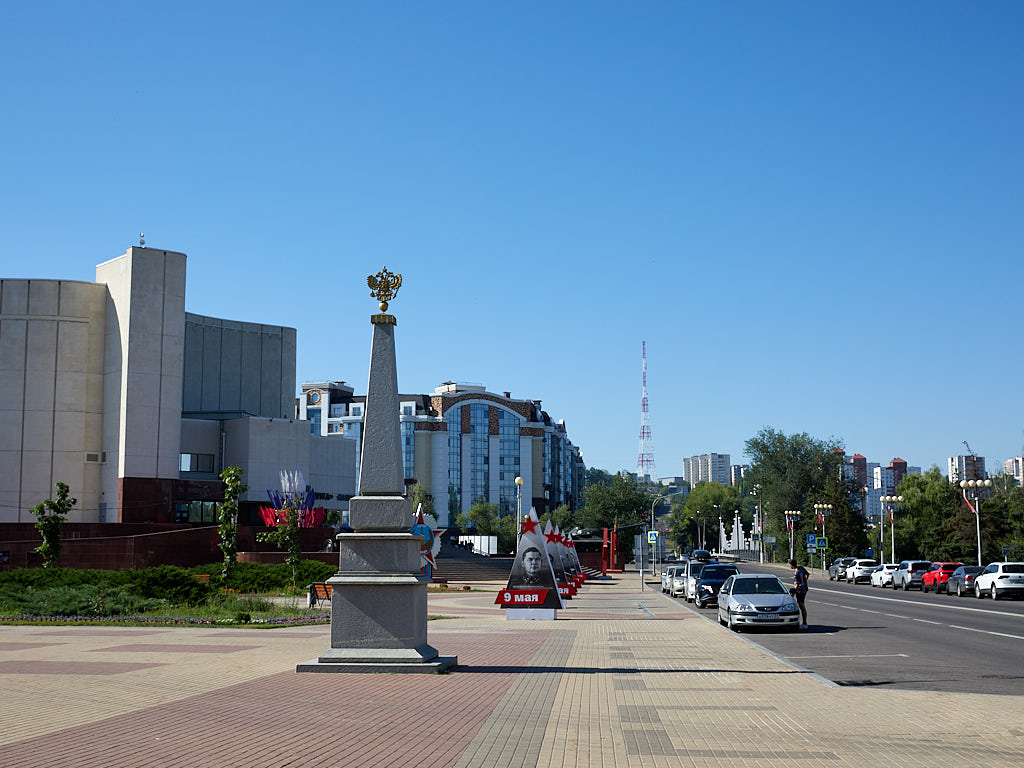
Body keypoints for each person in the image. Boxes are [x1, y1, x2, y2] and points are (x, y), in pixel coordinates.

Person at [789, 558, 809, 629]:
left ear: (791, 565)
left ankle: (804, 622)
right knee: (802, 604)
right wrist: (804, 581)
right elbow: (807, 574)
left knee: (801, 605)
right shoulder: (801, 568)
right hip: (805, 588)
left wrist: (794, 591)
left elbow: (796, 584)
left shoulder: (796, 572)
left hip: (800, 590)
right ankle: (804, 622)